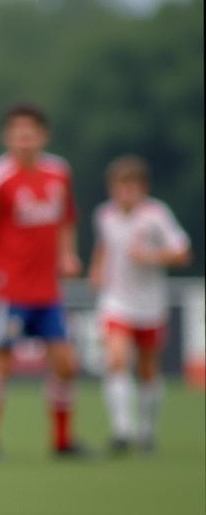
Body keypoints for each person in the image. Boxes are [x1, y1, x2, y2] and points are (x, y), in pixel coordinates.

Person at [0, 103, 87, 460]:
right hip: (9, 290)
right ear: (7, 137)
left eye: (31, 131)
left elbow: (67, 219)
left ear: (43, 135)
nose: (24, 139)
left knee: (66, 364)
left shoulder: (58, 173)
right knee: (1, 364)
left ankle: (62, 441)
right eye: (17, 132)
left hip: (48, 290)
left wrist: (68, 254)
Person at [89, 155, 191, 452]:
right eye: (121, 186)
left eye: (133, 187)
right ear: (112, 188)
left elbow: (182, 253)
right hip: (116, 300)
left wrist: (151, 257)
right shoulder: (104, 215)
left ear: (143, 189)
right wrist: (97, 269)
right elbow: (105, 245)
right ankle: (122, 430)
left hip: (150, 303)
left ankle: (146, 430)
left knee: (148, 368)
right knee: (117, 360)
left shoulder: (157, 216)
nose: (127, 193)